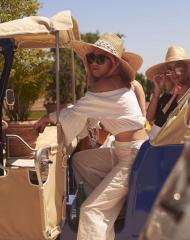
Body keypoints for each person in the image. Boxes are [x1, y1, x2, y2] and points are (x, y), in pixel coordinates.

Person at [35, 32, 148, 240]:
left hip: (134, 157)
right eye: (90, 58)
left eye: (100, 59)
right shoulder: (113, 84)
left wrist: (49, 118)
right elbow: (82, 108)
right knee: (80, 160)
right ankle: (113, 207)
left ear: (114, 63)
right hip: (126, 150)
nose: (93, 63)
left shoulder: (106, 86)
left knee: (91, 211)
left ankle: (101, 214)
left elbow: (76, 112)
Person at [145, 46, 190, 138]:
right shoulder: (167, 97)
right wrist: (157, 91)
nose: (173, 73)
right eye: (169, 69)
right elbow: (149, 118)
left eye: (178, 68)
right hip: (155, 146)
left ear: (187, 69)